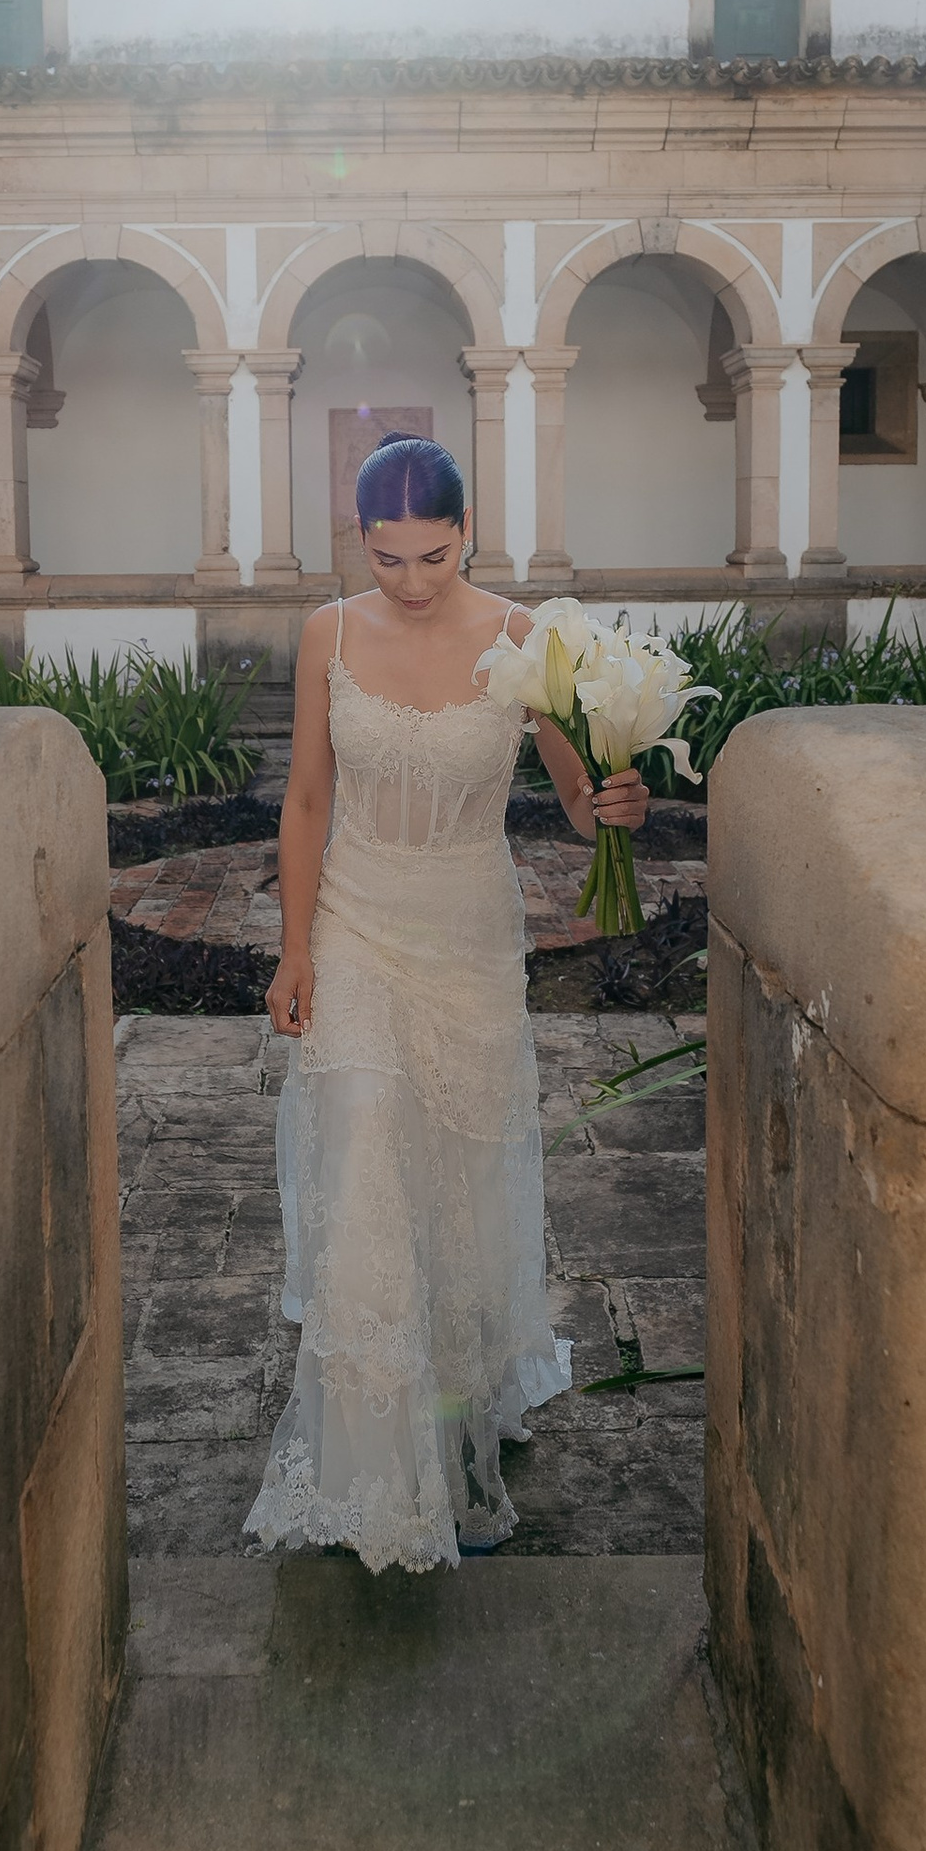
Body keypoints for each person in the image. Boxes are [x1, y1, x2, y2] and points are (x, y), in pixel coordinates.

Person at [246, 435, 650, 1572]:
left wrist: (615, 803)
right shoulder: (328, 633)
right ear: (359, 543)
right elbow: (308, 798)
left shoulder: (526, 639)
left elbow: (574, 798)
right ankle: (373, 1462)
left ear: (467, 532)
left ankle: (459, 1392)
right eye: (388, 559)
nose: (413, 581)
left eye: (433, 555)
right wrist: (293, 952)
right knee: (366, 1141)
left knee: (463, 1176)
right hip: (357, 920)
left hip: (469, 933)